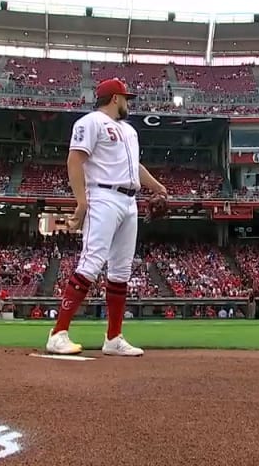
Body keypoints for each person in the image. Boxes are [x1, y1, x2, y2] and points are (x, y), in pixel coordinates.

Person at [45, 78, 168, 357]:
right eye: (126, 98)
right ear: (115, 98)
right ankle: (58, 333)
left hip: (128, 200)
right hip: (103, 196)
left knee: (121, 271)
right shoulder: (90, 122)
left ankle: (113, 338)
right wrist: (81, 202)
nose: (128, 103)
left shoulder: (129, 131)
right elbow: (74, 160)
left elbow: (133, 167)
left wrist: (157, 186)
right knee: (91, 263)